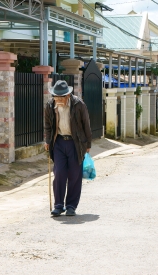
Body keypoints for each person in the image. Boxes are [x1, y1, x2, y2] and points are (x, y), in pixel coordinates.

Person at [44, 80, 92, 217]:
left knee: (74, 175)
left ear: (68, 96)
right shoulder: (50, 105)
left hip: (75, 143)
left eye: (60, 97)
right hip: (58, 142)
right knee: (59, 172)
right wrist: (48, 140)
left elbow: (86, 125)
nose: (57, 100)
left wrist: (88, 144)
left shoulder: (78, 105)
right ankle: (58, 205)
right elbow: (47, 125)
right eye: (55, 97)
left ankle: (71, 205)